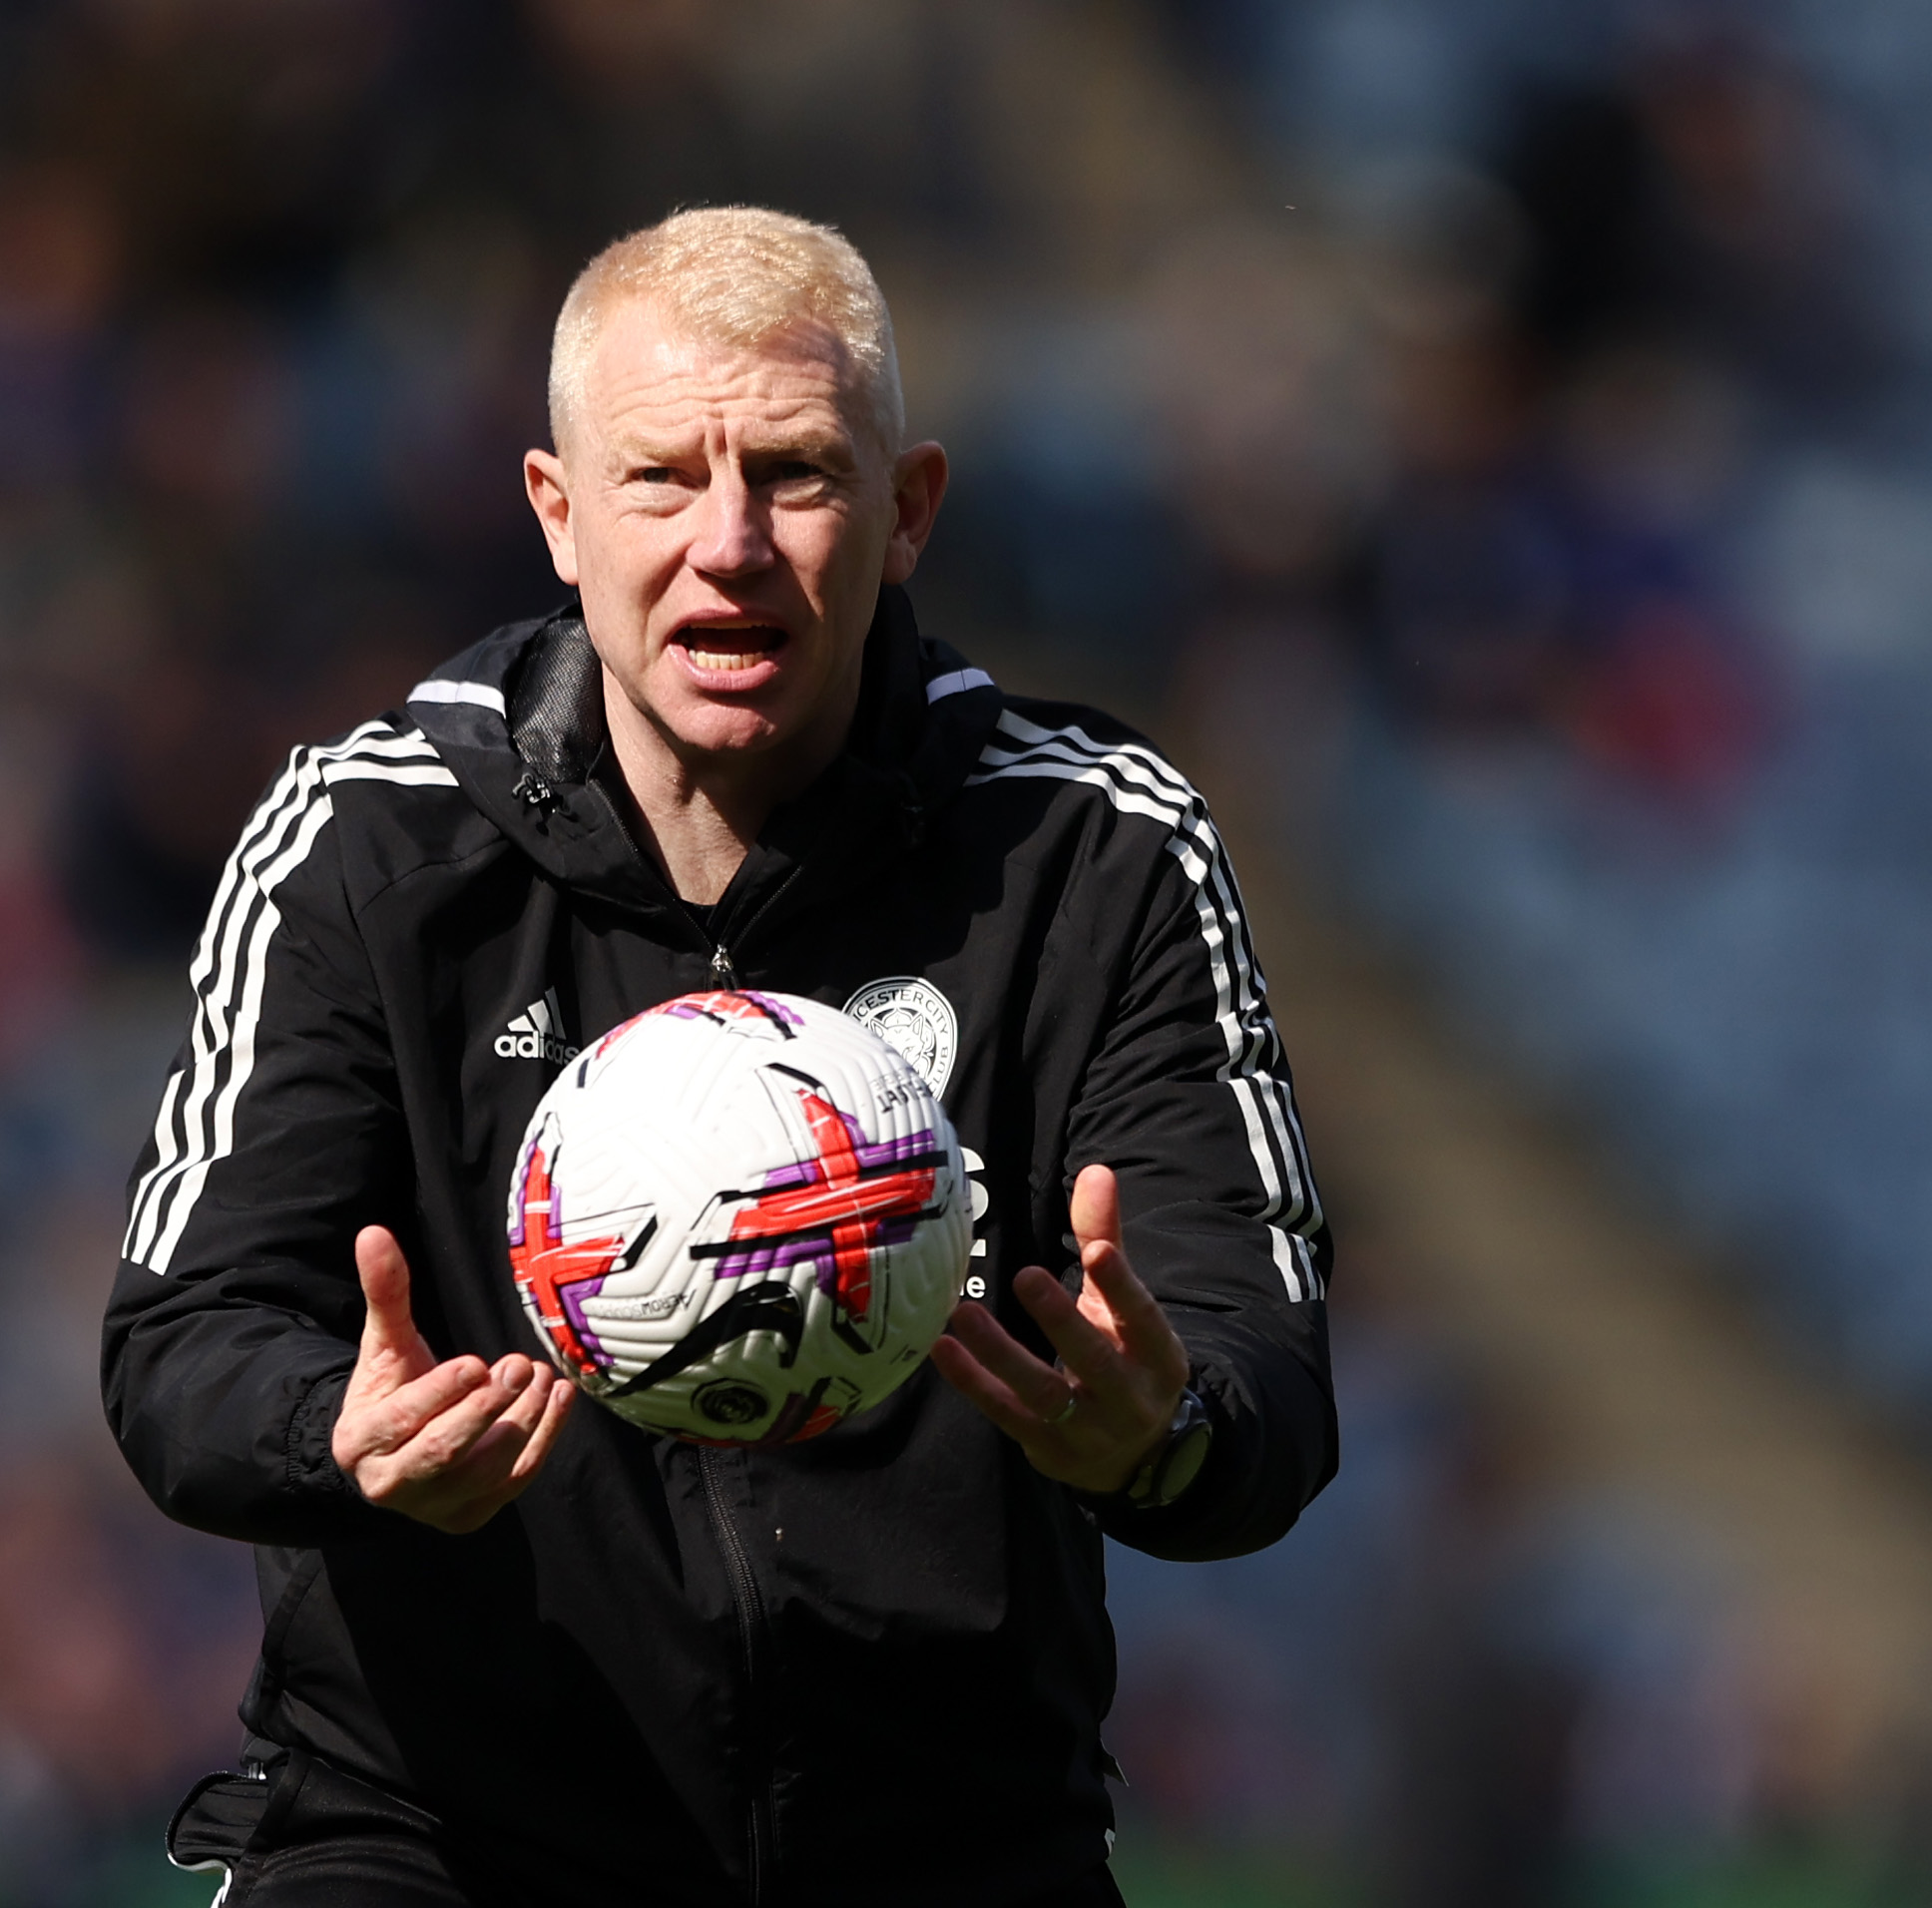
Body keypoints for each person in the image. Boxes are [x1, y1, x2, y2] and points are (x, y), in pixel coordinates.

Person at [103, 208, 1336, 1908]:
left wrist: (1161, 1430)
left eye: (797, 474)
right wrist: (339, 1431)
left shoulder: (1093, 852)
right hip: (433, 1844)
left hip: (952, 1851)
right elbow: (180, 1340)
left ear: (908, 510)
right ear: (558, 514)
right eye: (663, 479)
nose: (729, 542)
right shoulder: (366, 848)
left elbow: (1259, 1367)